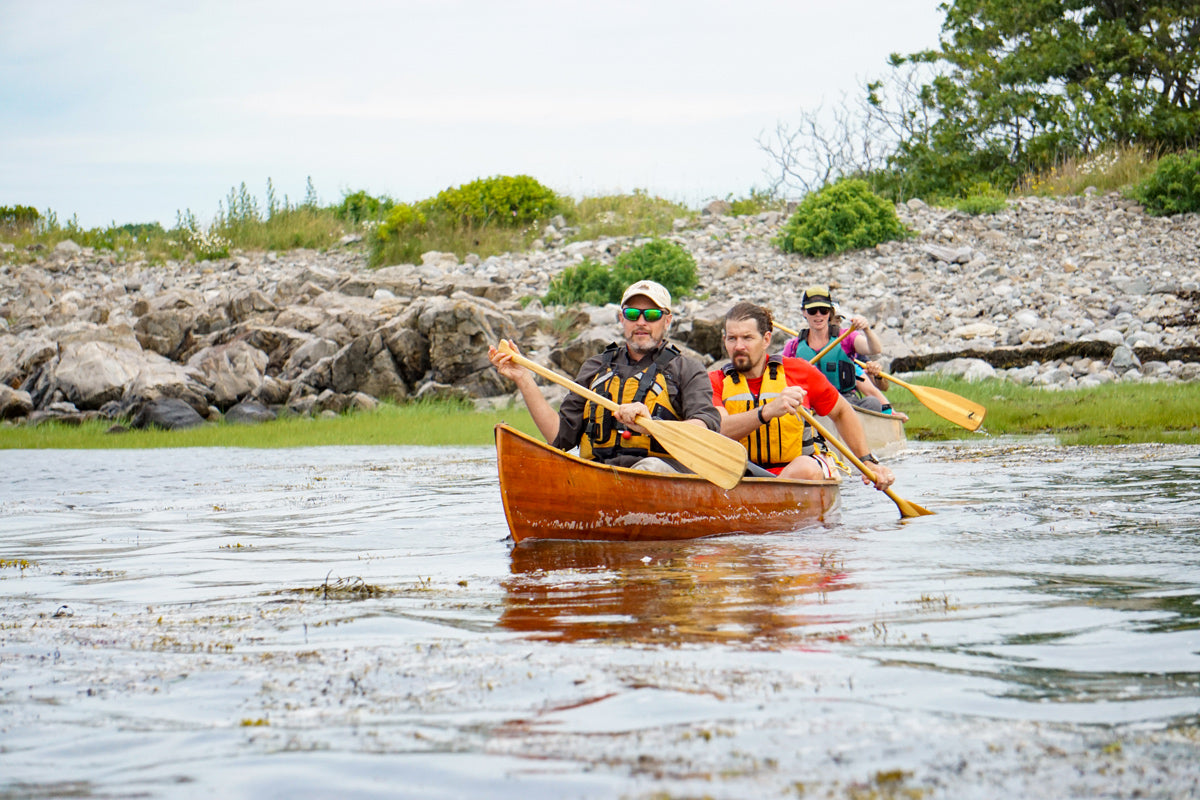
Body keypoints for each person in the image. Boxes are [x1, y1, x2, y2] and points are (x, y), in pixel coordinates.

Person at [488, 279, 720, 473]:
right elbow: (558, 438)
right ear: (622, 319)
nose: (641, 322)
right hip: (598, 472)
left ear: (667, 320)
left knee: (649, 467)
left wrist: (651, 425)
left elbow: (705, 430)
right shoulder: (596, 367)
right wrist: (523, 378)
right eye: (632, 314)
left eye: (651, 315)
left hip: (659, 471)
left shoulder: (687, 369)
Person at [710, 301, 895, 490]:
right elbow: (719, 429)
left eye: (747, 338)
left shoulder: (799, 371)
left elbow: (841, 412)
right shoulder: (714, 381)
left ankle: (772, 503)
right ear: (724, 340)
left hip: (795, 471)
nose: (738, 346)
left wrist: (867, 461)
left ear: (766, 339)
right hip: (739, 474)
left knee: (806, 468)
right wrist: (767, 411)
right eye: (732, 338)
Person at [781, 284, 890, 414]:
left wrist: (866, 329)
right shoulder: (793, 346)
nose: (818, 315)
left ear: (830, 312)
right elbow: (781, 378)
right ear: (804, 312)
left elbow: (875, 349)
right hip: (809, 405)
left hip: (845, 401)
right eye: (812, 311)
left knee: (872, 403)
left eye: (823, 310)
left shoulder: (846, 337)